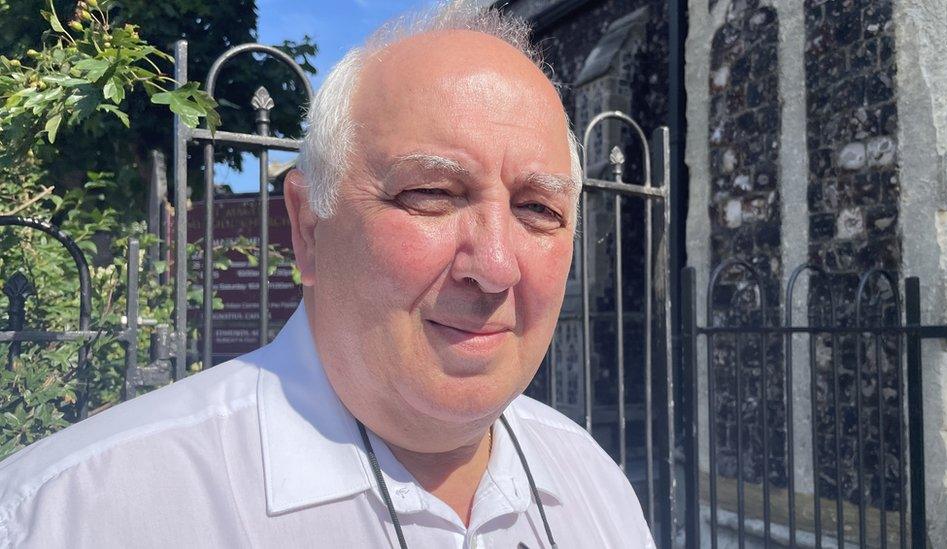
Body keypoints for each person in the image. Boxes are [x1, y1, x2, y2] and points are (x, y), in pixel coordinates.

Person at [0, 2, 654, 547]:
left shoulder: (595, 484)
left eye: (538, 209)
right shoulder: (77, 515)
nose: (495, 266)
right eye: (429, 193)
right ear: (309, 227)